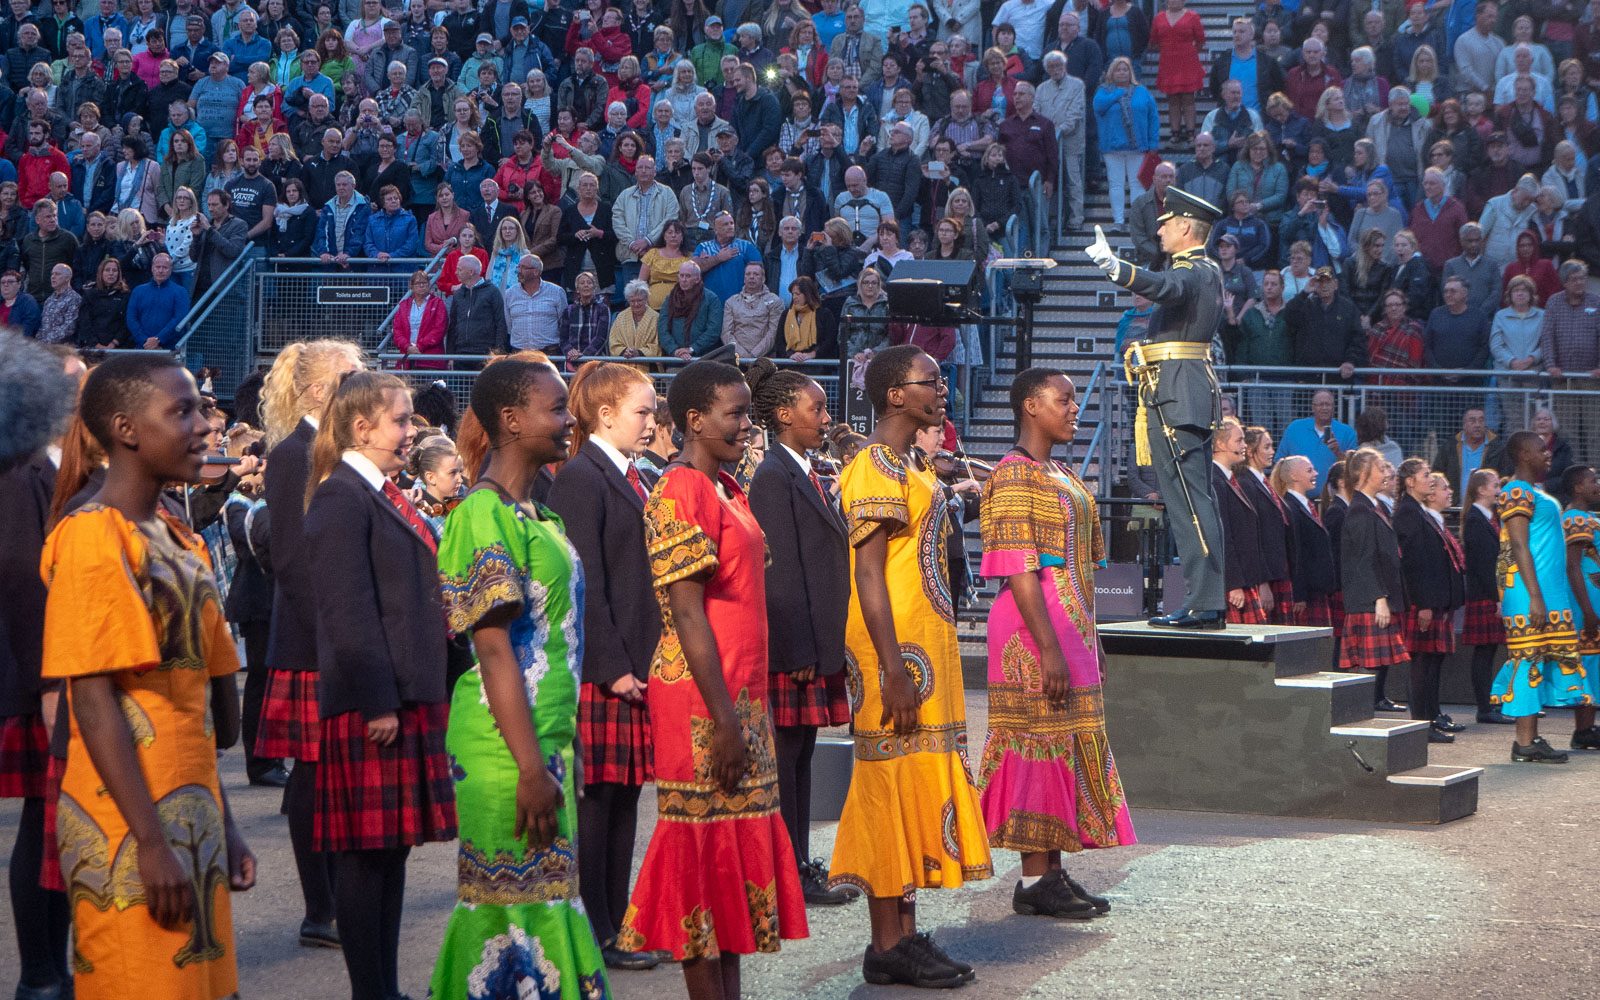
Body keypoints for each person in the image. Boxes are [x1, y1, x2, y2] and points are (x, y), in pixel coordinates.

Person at [43, 353, 257, 1000]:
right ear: (126, 429)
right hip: (130, 830)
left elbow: (198, 710)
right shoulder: (92, 538)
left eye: (201, 408)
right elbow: (94, 700)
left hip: (187, 817)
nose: (203, 426)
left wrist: (225, 819)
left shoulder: (176, 536)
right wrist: (150, 843)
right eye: (182, 411)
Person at [612, 360, 809, 998]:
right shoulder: (682, 490)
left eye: (749, 412)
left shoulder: (725, 486)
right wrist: (724, 717)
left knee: (729, 853)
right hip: (703, 697)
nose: (746, 425)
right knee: (702, 859)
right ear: (694, 420)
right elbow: (687, 612)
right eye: (736, 414)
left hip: (737, 693)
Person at [428, 358, 611, 998]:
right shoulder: (482, 514)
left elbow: (561, 645)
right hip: (506, 750)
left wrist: (565, 748)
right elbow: (495, 651)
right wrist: (532, 767)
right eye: (556, 408)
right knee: (515, 910)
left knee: (545, 902)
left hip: (543, 742)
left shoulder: (538, 515)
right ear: (510, 420)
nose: (570, 420)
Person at [822, 345, 989, 987]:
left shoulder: (910, 463)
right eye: (931, 381)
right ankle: (885, 941)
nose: (940, 389)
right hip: (892, 651)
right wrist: (891, 666)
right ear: (895, 393)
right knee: (888, 780)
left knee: (916, 774)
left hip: (925, 644)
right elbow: (867, 573)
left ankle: (905, 934)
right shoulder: (870, 468)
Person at [301, 371, 455, 1000]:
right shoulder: (342, 495)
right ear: (361, 428)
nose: (410, 431)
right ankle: (372, 991)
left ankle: (386, 988)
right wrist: (378, 703)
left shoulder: (381, 491)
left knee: (391, 855)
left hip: (404, 694)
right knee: (366, 860)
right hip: (377, 704)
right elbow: (348, 611)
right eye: (401, 421)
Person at [975, 366, 1132, 920]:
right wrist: (1048, 649)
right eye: (1062, 400)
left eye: (1073, 400)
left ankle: (1054, 872)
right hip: (1031, 628)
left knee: (1064, 743)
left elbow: (1083, 568)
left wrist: (1094, 640)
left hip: (1070, 626)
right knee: (1038, 745)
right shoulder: (1014, 476)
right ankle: (1035, 879)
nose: (1073, 409)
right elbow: (1020, 572)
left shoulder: (1059, 471)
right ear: (1030, 407)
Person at [544, 361, 664, 970]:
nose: (650, 422)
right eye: (642, 412)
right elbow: (581, 581)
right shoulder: (581, 478)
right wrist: (613, 664)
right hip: (606, 674)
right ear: (605, 413)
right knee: (599, 808)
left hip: (635, 669)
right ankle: (597, 929)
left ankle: (619, 925)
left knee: (623, 803)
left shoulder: (628, 474)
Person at [257, 339, 362, 951]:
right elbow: (293, 562)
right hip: (311, 640)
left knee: (334, 773)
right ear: (318, 390)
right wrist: (335, 640)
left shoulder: (339, 451)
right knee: (312, 774)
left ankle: (333, 902)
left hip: (338, 635)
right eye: (351, 375)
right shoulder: (295, 453)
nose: (362, 382)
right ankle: (318, 908)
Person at [743, 359, 856, 907]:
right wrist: (799, 649)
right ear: (785, 415)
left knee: (802, 757)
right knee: (788, 761)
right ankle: (788, 871)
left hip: (815, 645)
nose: (825, 416)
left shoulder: (799, 469)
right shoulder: (772, 475)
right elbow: (781, 571)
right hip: (797, 648)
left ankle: (798, 863)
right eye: (816, 408)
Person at [1085, 188, 1225, 627]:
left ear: (1186, 227)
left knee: (1188, 501)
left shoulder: (1195, 271)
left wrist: (1118, 269)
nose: (1160, 227)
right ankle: (1205, 598)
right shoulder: (1204, 270)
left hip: (1177, 394)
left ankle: (1204, 600)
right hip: (1178, 391)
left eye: (1167, 221)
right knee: (1190, 500)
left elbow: (1167, 287)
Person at [1492, 431, 1593, 762]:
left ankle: (1531, 737)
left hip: (1548, 595)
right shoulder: (1516, 491)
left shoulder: (1536, 492)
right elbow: (1518, 545)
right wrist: (1535, 596)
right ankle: (1523, 743)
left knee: (1537, 661)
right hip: (1529, 594)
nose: (1547, 454)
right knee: (1528, 661)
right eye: (1540, 450)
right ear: (1523, 454)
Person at [1394, 457, 1466, 743]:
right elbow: (1413, 563)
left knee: (1429, 664)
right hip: (1421, 603)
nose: (1430, 480)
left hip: (1433, 600)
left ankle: (1429, 719)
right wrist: (1423, 603)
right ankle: (1421, 725)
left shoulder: (1418, 512)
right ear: (1410, 481)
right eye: (1425, 475)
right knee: (1421, 665)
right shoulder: (1408, 513)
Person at [1338, 448, 1409, 712]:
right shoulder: (1360, 510)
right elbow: (1364, 558)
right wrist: (1379, 598)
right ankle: (1358, 714)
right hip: (1368, 601)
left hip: (1376, 597)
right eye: (1381, 468)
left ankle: (1368, 708)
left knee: (1376, 666)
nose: (1387, 472)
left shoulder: (1372, 506)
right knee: (1367, 667)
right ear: (1364, 473)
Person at [1461, 468, 1511, 725]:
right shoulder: (1476, 521)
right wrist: (1497, 598)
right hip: (1485, 596)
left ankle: (1490, 703)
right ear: (1481, 490)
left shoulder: (1489, 518)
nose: (1498, 490)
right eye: (1494, 485)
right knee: (1484, 652)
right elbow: (1482, 565)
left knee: (1489, 651)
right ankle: (1484, 707)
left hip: (1490, 595)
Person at [1211, 418, 1268, 624]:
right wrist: (1233, 583)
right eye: (1239, 440)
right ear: (1219, 444)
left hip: (1245, 579)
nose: (1245, 446)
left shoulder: (1228, 479)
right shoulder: (1214, 481)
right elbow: (1222, 534)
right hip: (1233, 584)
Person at [1240, 426, 1294, 625]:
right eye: (1267, 447)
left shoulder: (1262, 481)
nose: (1272, 451)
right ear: (1252, 451)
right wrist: (1262, 583)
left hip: (1276, 572)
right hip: (1264, 576)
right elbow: (1252, 536)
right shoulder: (1245, 483)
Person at [1275, 454, 1335, 627]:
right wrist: (1299, 594)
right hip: (1305, 595)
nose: (1315, 473)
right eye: (1309, 470)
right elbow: (1295, 552)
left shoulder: (1305, 505)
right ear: (1294, 476)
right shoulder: (1290, 507)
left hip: (1315, 590)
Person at [393, 268, 448, 369]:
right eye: (418, 283)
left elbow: (439, 330)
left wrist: (419, 346)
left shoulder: (438, 303)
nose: (421, 285)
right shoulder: (404, 305)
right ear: (411, 287)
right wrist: (407, 347)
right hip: (407, 359)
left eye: (424, 283)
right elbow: (397, 331)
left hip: (430, 360)